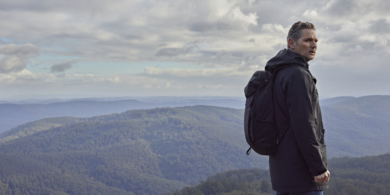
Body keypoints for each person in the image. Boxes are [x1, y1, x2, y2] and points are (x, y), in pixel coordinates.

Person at [265, 21, 330, 195]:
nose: (314, 45)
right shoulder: (298, 75)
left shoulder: (278, 72)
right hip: (302, 175)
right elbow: (305, 125)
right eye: (308, 40)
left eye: (316, 40)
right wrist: (318, 168)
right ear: (291, 43)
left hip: (283, 172)